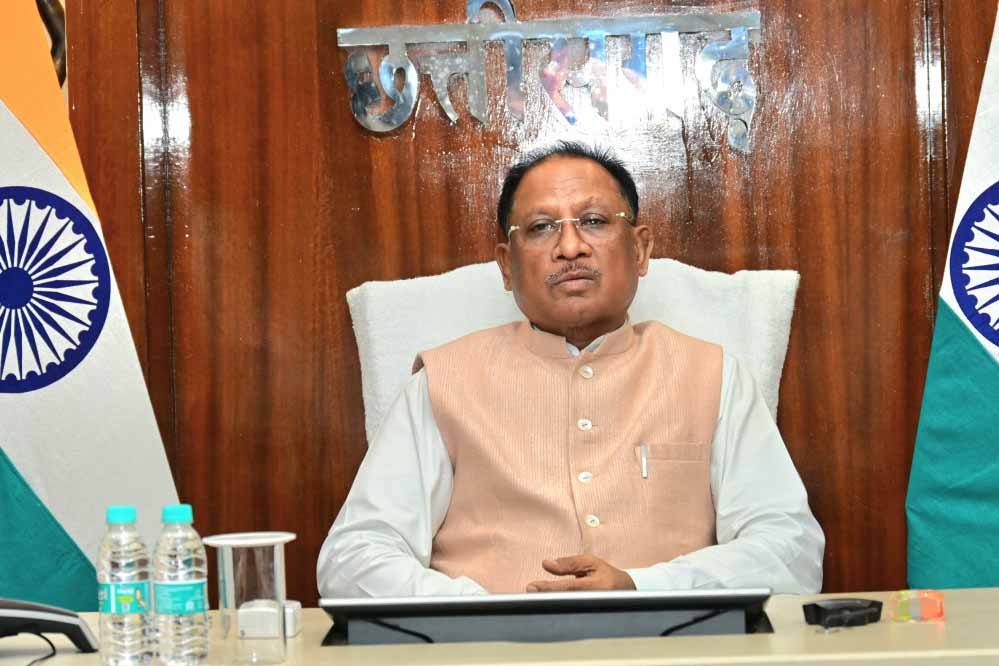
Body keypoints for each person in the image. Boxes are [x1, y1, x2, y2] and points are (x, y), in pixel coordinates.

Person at [317, 141, 824, 597]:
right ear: (506, 266)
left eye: (595, 221)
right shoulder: (441, 383)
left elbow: (790, 551)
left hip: (668, 649)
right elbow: (352, 557)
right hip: (488, 654)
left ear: (640, 249)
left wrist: (643, 587)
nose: (570, 247)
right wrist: (483, 614)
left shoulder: (713, 376)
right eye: (541, 228)